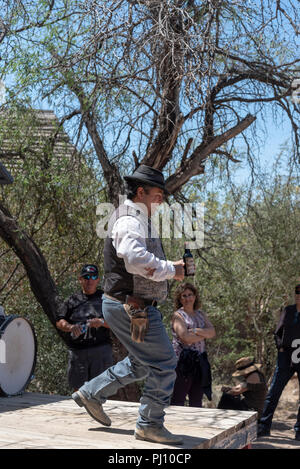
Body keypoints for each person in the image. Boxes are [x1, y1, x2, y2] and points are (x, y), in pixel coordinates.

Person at [72, 165, 185, 445]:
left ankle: (91, 393)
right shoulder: (130, 219)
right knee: (164, 363)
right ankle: (149, 424)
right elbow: (134, 260)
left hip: (130, 307)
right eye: (158, 194)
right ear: (140, 192)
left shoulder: (136, 218)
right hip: (132, 307)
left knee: (140, 363)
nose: (161, 200)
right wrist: (172, 269)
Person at [56, 264, 113, 391]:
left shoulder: (106, 299)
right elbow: (59, 321)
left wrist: (101, 322)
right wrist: (70, 327)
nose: (90, 280)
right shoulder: (72, 300)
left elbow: (118, 323)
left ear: (98, 280)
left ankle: (97, 410)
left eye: (93, 277)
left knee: (100, 390)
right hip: (78, 352)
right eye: (86, 277)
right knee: (78, 390)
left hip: (101, 351)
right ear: (80, 279)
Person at [257, 283, 300, 440]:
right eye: (297, 294)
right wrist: (280, 348)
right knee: (274, 392)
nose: (299, 297)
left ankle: (299, 431)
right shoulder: (288, 311)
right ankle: (264, 427)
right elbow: (277, 332)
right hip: (286, 356)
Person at [170, 282, 215, 407]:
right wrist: (203, 334)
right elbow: (185, 338)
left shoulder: (201, 314)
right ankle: (175, 425)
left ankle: (196, 426)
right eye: (184, 296)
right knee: (179, 397)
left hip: (200, 360)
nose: (187, 298)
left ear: (195, 296)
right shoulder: (178, 316)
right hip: (183, 362)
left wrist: (195, 331)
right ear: (179, 298)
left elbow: (212, 332)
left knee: (197, 399)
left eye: (190, 295)